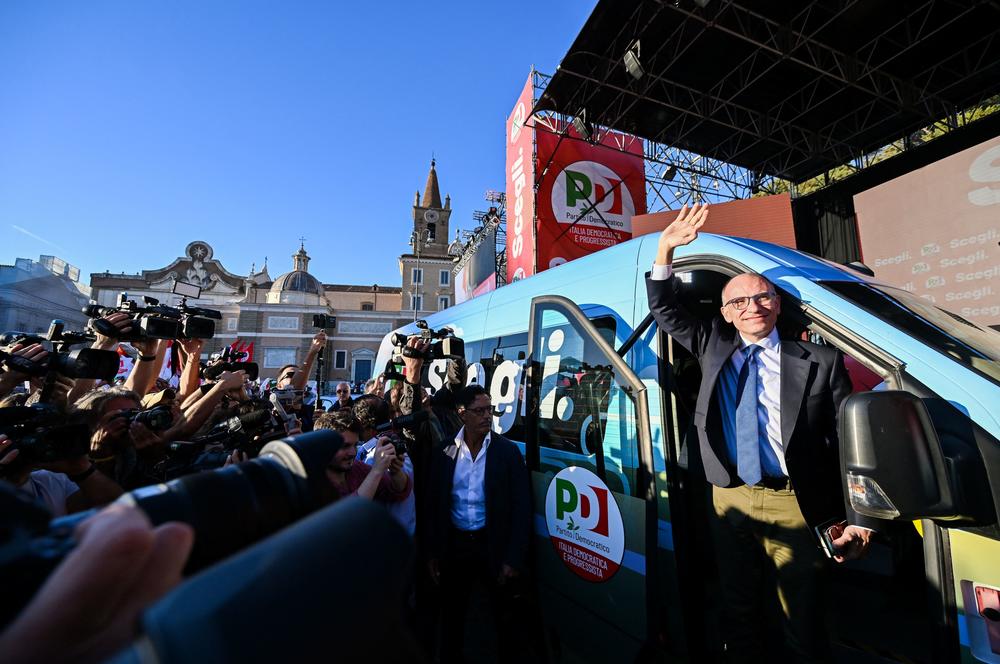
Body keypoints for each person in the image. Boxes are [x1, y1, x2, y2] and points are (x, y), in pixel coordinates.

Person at [646, 203, 872, 663]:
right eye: (740, 301)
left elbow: (850, 444)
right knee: (738, 607)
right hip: (729, 497)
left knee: (801, 616)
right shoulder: (713, 343)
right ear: (726, 313)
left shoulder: (819, 363)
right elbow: (665, 309)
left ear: (778, 304)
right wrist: (665, 247)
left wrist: (860, 515)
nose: (754, 307)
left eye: (764, 297)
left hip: (796, 502)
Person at [427, 384, 531, 664]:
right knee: (452, 617)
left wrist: (513, 558)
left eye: (490, 409)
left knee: (502, 619)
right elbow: (435, 503)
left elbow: (522, 507)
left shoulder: (506, 452)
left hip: (491, 545)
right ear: (462, 414)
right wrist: (435, 552)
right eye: (479, 411)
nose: (488, 416)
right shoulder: (445, 450)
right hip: (456, 546)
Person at [313, 410, 410, 504]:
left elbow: (396, 493)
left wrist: (395, 471)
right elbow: (346, 516)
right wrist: (376, 470)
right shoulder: (310, 482)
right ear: (323, 446)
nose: (352, 452)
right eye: (344, 446)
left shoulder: (358, 469)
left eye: (355, 445)